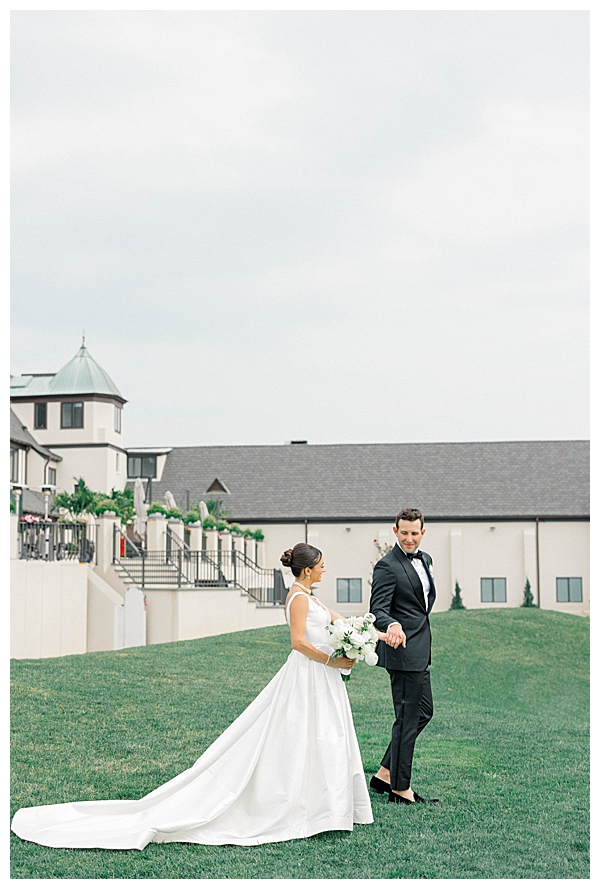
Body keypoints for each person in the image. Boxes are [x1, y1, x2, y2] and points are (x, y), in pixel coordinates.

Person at [11, 543, 376, 849]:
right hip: (307, 676)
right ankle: (297, 805)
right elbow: (298, 643)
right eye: (322, 567)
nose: (325, 570)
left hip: (322, 678)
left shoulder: (311, 596)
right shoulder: (297, 598)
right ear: (307, 570)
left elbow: (336, 619)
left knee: (325, 736)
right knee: (298, 737)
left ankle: (325, 804)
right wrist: (332, 658)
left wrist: (360, 635)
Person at [368, 508, 439, 805]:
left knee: (423, 712)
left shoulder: (426, 560)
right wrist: (393, 624)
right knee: (408, 719)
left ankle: (385, 774)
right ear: (394, 531)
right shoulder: (387, 566)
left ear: (423, 532)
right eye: (404, 532)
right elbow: (378, 611)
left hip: (420, 649)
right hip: (401, 651)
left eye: (414, 533)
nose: (409, 539)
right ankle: (400, 789)